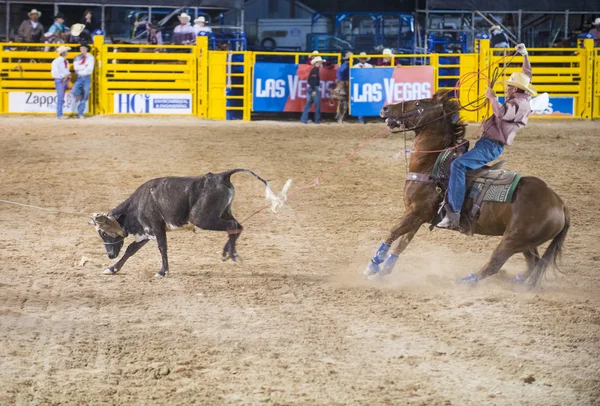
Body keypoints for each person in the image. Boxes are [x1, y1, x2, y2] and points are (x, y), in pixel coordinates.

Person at [438, 43, 534, 229]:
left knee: (458, 164)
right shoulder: (521, 98)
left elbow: (502, 114)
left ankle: (454, 213)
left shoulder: (519, 105)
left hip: (490, 146)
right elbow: (527, 74)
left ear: (515, 89)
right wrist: (525, 55)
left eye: (510, 87)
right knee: (458, 152)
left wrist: (492, 98)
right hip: (487, 143)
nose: (507, 88)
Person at [71, 43, 94, 119]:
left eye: (84, 48)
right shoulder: (77, 57)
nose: (82, 50)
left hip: (86, 77)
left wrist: (80, 68)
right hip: (79, 77)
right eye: (81, 48)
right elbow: (75, 68)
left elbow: (90, 69)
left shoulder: (91, 57)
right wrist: (84, 66)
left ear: (87, 49)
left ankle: (80, 113)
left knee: (85, 95)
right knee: (74, 90)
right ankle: (80, 93)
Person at [300, 56, 323, 124]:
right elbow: (312, 81)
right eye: (319, 62)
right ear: (316, 63)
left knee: (309, 104)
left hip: (312, 88)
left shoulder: (314, 70)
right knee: (317, 104)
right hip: (314, 88)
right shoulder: (315, 71)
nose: (320, 64)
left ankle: (304, 119)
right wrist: (313, 90)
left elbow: (311, 80)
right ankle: (317, 120)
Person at [51, 46, 71, 119]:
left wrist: (68, 75)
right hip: (60, 80)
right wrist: (64, 75)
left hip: (64, 80)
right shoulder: (57, 61)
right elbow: (54, 73)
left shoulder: (66, 61)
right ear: (63, 52)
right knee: (60, 97)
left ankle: (60, 113)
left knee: (61, 96)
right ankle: (59, 114)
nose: (67, 52)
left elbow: (66, 70)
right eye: (66, 51)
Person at [354, 52, 373, 124]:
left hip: (368, 86)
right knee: (360, 103)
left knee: (366, 103)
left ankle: (364, 118)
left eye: (364, 58)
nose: (363, 60)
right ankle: (361, 119)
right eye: (362, 58)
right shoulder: (355, 66)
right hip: (359, 87)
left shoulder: (369, 66)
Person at [334, 51, 352, 124]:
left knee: (343, 102)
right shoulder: (345, 66)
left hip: (345, 84)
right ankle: (340, 118)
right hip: (344, 85)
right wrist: (342, 81)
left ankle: (340, 117)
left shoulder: (346, 66)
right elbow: (339, 73)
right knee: (343, 102)